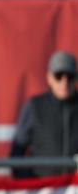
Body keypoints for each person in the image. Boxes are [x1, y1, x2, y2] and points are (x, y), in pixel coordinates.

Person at [10, 50, 78, 178]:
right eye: (59, 76)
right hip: (44, 191)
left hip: (75, 191)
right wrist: (29, 182)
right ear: (49, 78)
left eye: (69, 76)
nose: (64, 82)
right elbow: (17, 152)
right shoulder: (35, 107)